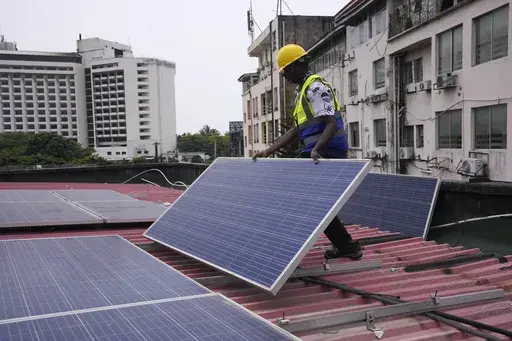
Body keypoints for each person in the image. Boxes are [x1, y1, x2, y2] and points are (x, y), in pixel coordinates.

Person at [252, 43, 362, 260]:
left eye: (284, 72)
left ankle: (290, 250)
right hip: (315, 151)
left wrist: (317, 150)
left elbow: (331, 123)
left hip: (326, 151)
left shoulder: (315, 87)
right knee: (317, 205)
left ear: (294, 67)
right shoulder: (303, 91)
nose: (284, 77)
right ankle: (347, 247)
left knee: (296, 195)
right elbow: (296, 131)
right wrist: (268, 150)